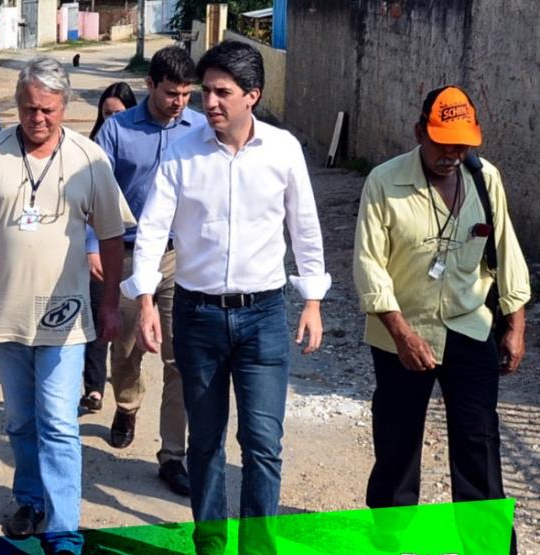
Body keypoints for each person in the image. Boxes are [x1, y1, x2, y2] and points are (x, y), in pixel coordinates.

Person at [122, 40, 330, 554]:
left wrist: (312, 300)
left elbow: (304, 226)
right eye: (205, 92)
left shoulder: (283, 150)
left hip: (262, 317)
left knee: (262, 443)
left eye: (221, 93)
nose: (208, 103)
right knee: (207, 442)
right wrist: (146, 299)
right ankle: (211, 544)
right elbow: (152, 230)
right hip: (198, 318)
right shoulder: (181, 154)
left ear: (251, 96)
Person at [0, 56, 132, 555]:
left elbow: (111, 236)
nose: (36, 118)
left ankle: (63, 528)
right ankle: (29, 499)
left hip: (65, 317)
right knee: (21, 420)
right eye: (27, 108)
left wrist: (110, 301)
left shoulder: (90, 159)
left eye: (47, 109)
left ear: (64, 106)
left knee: (59, 422)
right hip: (6, 315)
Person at [353, 85, 529, 554]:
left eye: (461, 145)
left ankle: (490, 547)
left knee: (478, 442)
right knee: (398, 444)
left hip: (469, 326)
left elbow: (506, 249)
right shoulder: (385, 182)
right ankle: (390, 541)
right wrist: (401, 332)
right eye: (442, 143)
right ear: (419, 133)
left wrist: (515, 324)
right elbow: (369, 264)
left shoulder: (484, 178)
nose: (452, 154)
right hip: (400, 333)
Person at [94, 46, 206, 496]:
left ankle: (173, 455)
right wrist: (91, 248)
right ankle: (126, 403)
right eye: (170, 93)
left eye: (185, 93)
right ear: (149, 85)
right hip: (126, 253)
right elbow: (95, 191)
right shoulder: (117, 131)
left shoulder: (200, 129)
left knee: (180, 358)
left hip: (181, 258)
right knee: (125, 349)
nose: (179, 102)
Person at [80, 81, 137, 413]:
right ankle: (94, 387)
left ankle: (126, 386)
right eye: (106, 114)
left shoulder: (142, 145)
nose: (112, 121)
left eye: (119, 114)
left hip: (136, 246)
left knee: (128, 328)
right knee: (100, 314)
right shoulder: (90, 150)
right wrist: (91, 246)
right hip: (100, 243)